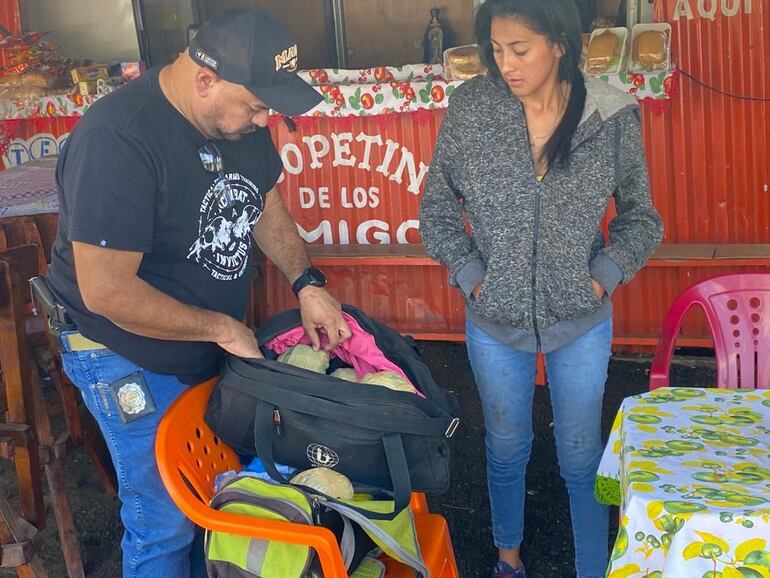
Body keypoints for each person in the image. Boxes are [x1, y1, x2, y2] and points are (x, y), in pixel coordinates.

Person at [46, 8, 351, 577]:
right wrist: (219, 327)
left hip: (200, 343)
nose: (264, 121)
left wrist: (307, 283)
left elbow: (264, 204)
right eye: (256, 105)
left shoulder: (231, 123)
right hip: (122, 353)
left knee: (213, 501)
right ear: (205, 80)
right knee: (164, 520)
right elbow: (107, 292)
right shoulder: (119, 137)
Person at [419, 1, 663, 577]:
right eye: (497, 50)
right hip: (493, 320)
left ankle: (589, 566)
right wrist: (471, 275)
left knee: (582, 457)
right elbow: (436, 209)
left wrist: (604, 275)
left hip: (580, 320)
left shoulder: (608, 114)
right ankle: (508, 557)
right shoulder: (472, 109)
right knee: (506, 447)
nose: (506, 64)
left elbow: (641, 218)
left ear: (558, 43)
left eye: (520, 49)